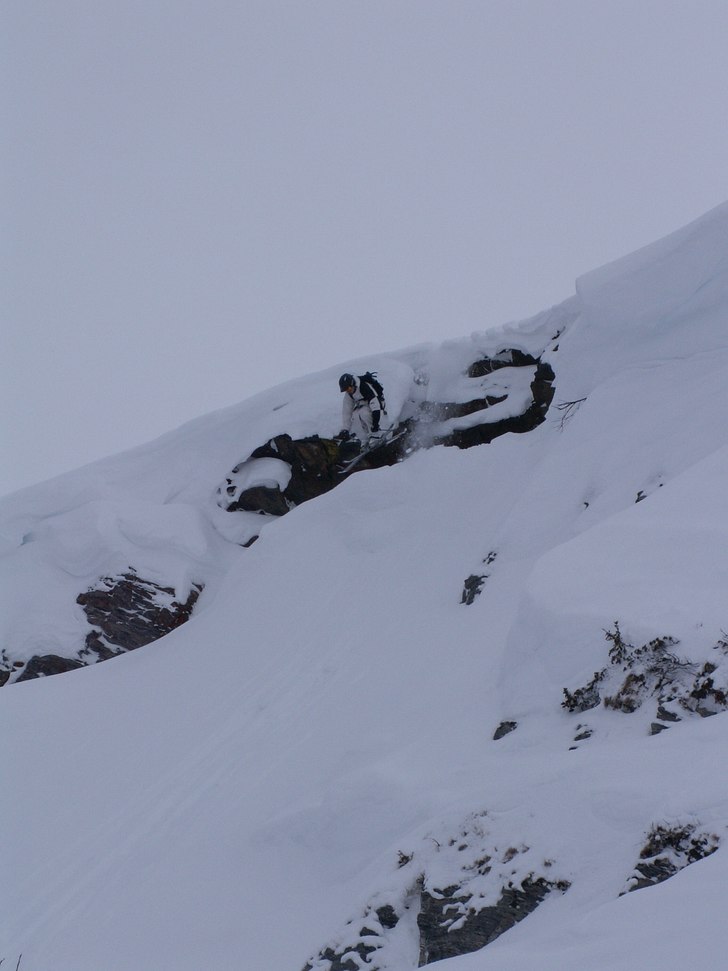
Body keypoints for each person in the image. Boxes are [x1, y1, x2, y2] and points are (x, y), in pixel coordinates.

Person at [337, 372, 387, 443]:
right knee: (355, 415)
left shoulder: (363, 386)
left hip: (378, 404)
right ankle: (367, 437)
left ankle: (376, 434)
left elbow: (375, 405)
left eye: (348, 388)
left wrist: (375, 425)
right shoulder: (349, 394)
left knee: (364, 413)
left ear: (352, 383)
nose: (348, 391)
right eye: (346, 390)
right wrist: (345, 429)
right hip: (363, 405)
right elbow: (346, 411)